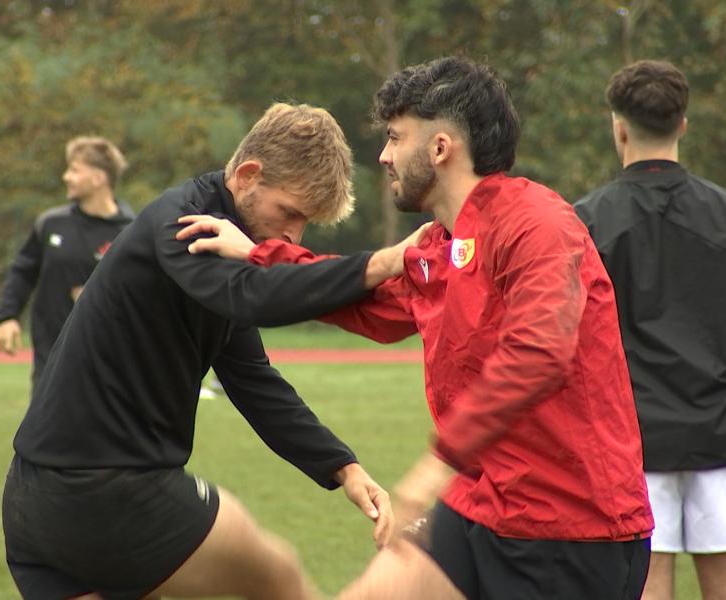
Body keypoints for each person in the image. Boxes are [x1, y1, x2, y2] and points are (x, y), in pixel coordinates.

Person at [179, 56, 654, 599]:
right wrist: (260, 254)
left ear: (440, 148)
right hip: (479, 504)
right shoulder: (436, 245)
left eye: (395, 137)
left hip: (569, 527)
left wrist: (436, 464)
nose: (383, 155)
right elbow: (368, 303)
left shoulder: (537, 223)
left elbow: (539, 352)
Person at [2, 103, 409, 600]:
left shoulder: (222, 258)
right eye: (290, 213)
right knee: (278, 575)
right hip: (106, 489)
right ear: (248, 175)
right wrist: (381, 264)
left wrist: (343, 467)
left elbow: (253, 380)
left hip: (35, 497)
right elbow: (257, 295)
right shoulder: (187, 224)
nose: (292, 237)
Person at [574, 60, 726, 600]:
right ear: (683, 125)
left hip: (629, 448)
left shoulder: (586, 221)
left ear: (618, 127)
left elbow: (567, 336)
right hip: (725, 437)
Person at [0, 136, 134, 388]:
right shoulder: (51, 224)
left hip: (108, 365)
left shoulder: (131, 232)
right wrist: (7, 316)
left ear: (98, 178)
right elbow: (23, 272)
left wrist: (95, 297)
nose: (66, 176)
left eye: (75, 170)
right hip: (51, 360)